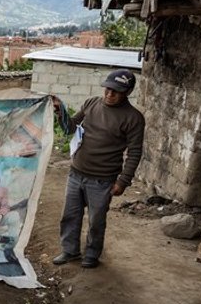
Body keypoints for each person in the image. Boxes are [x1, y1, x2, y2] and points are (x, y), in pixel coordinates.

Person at [52, 69, 145, 268]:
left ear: (127, 92)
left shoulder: (133, 118)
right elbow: (70, 128)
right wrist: (61, 111)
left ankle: (92, 255)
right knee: (70, 215)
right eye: (107, 89)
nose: (109, 94)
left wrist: (122, 181)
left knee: (96, 220)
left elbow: (134, 153)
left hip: (103, 180)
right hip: (76, 173)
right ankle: (70, 251)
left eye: (116, 91)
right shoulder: (91, 103)